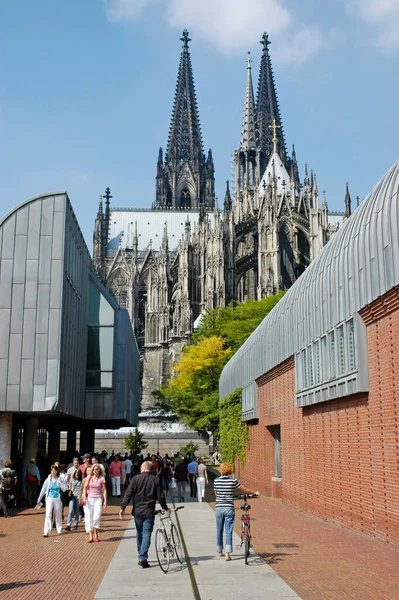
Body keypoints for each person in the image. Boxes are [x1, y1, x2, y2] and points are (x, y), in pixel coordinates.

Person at [119, 461, 170, 568]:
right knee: (146, 534)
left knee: (139, 534)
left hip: (137, 511)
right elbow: (160, 496)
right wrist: (165, 507)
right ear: (151, 469)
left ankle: (140, 555)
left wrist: (122, 507)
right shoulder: (155, 480)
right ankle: (143, 557)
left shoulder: (135, 479)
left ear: (143, 468)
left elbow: (128, 493)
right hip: (148, 511)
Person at [213, 462, 258, 561]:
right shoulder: (233, 481)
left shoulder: (216, 481)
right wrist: (255, 492)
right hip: (229, 507)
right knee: (228, 530)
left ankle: (219, 550)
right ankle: (227, 554)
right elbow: (244, 489)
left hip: (219, 508)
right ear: (229, 470)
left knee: (219, 529)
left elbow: (216, 494)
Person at [37, 464, 67, 537]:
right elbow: (43, 490)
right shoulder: (47, 480)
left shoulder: (60, 479)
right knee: (48, 514)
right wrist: (39, 499)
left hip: (57, 499)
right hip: (49, 498)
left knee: (58, 514)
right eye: (52, 470)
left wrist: (60, 483)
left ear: (57, 471)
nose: (53, 472)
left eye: (54, 470)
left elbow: (64, 488)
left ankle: (59, 529)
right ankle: (46, 531)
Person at [81, 463, 107, 543]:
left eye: (96, 469)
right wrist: (84, 496)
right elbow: (85, 487)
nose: (95, 471)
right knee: (89, 517)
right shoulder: (89, 477)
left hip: (98, 499)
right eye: (94, 469)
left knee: (97, 516)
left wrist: (105, 500)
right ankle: (90, 535)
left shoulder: (102, 478)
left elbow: (104, 489)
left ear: (99, 470)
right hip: (90, 499)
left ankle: (96, 533)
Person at [65, 466, 83, 531]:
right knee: (70, 510)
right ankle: (68, 524)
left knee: (77, 511)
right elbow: (70, 486)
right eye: (76, 474)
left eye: (78, 474)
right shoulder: (72, 479)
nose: (77, 475)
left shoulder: (81, 481)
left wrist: (81, 496)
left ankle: (75, 523)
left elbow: (82, 489)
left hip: (78, 496)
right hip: (72, 496)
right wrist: (69, 491)